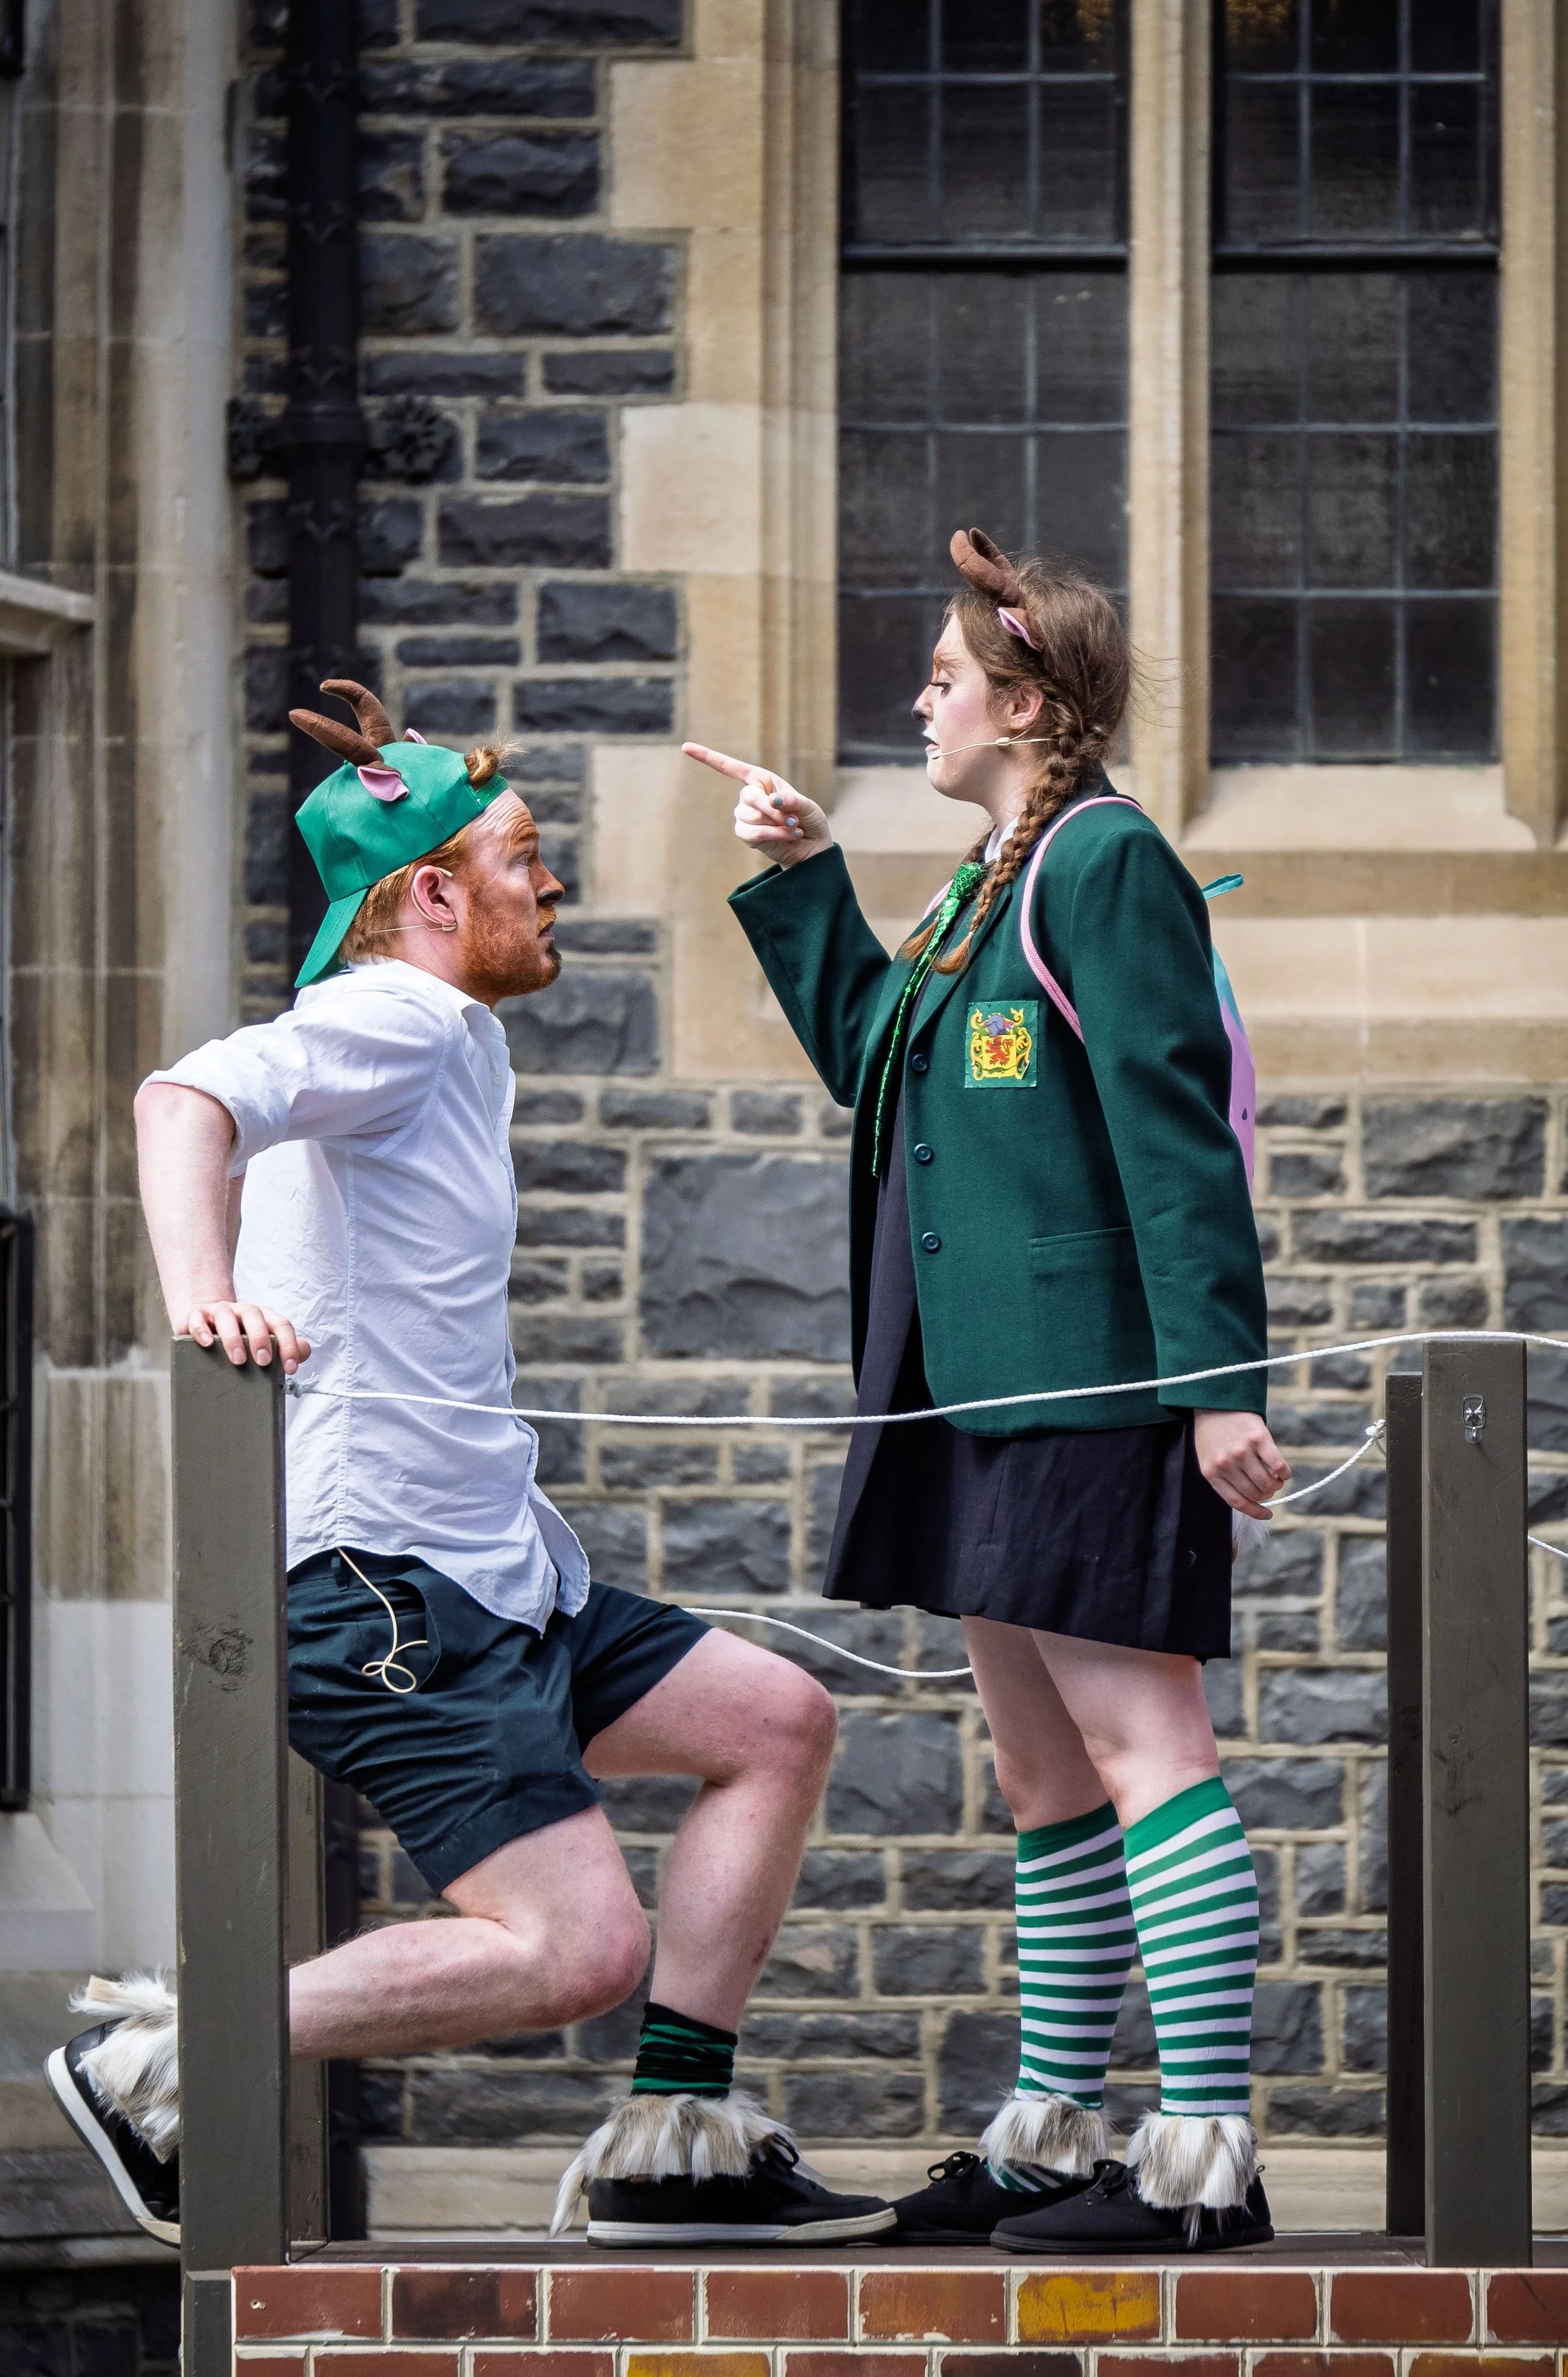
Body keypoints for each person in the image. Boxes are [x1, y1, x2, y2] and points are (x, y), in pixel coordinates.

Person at [45, 681, 895, 2252]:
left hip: (492, 1574)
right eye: (520, 852)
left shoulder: (440, 1032)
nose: (550, 877)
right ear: (431, 893)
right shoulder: (398, 1014)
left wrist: (409, 759)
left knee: (773, 1722)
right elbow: (183, 1096)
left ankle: (676, 2138)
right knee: (574, 1949)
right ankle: (153, 2057)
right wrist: (196, 1293)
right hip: (384, 1593)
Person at [687, 530, 1291, 2254]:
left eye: (943, 680)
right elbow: (878, 1068)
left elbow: (1173, 1137)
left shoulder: (1100, 865)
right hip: (972, 1391)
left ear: (1024, 704)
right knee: (1042, 1775)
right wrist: (801, 874)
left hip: (1098, 1383)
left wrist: (1215, 1386)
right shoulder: (982, 879)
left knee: (1141, 1745)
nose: (917, 701)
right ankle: (1044, 2137)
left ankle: (1199, 2159)